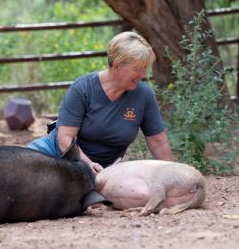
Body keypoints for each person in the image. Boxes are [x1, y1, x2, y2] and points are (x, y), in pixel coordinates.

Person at [28, 31, 173, 174]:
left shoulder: (144, 95)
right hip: (56, 153)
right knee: (18, 167)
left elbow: (158, 142)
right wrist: (88, 164)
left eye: (144, 68)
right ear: (116, 67)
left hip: (103, 170)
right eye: (137, 69)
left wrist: (173, 173)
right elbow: (65, 138)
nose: (143, 75)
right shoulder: (83, 89)